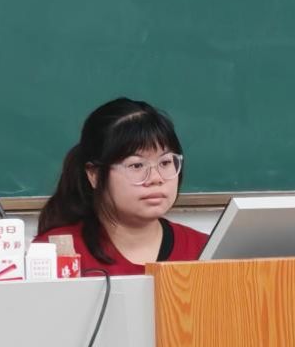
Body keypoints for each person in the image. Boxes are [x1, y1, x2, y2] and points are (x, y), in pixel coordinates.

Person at [34, 97, 207, 275]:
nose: (156, 178)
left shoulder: (206, 251)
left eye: (165, 162)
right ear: (94, 174)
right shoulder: (54, 254)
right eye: (137, 165)